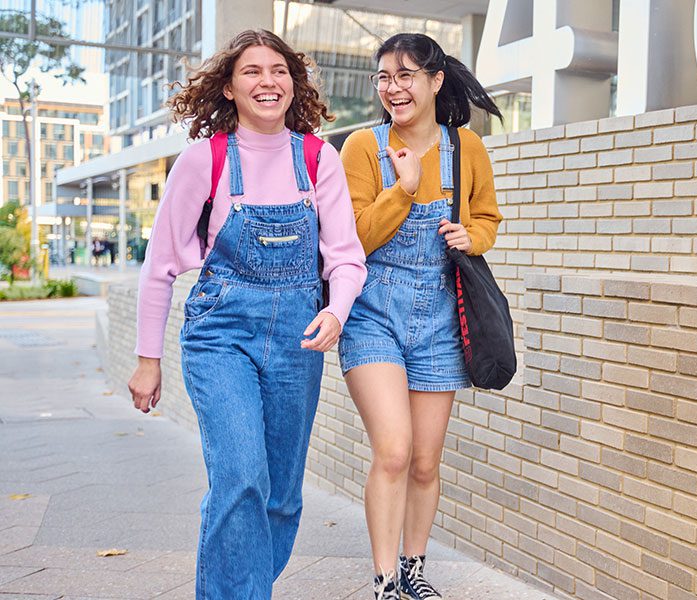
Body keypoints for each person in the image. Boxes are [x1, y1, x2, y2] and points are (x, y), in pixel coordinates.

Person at [125, 29, 366, 598]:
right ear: (229, 88)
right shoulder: (202, 159)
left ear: (293, 83)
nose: (267, 81)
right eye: (252, 71)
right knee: (239, 478)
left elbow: (348, 259)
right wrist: (147, 360)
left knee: (281, 494)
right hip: (220, 335)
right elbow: (159, 264)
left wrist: (337, 310)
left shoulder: (317, 156)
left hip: (298, 339)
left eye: (278, 70)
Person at [338, 33, 502, 600]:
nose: (393, 87)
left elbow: (487, 219)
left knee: (426, 463)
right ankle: (384, 582)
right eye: (384, 76)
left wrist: (471, 234)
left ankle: (413, 570)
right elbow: (354, 238)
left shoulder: (467, 150)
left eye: (406, 75)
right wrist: (403, 190)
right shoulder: (363, 147)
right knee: (394, 450)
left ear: (435, 81)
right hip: (373, 313)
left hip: (439, 317)